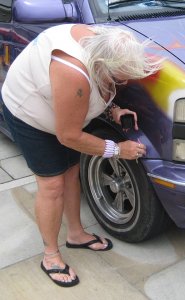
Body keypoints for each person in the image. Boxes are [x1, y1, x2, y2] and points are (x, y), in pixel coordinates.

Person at [1, 23, 162, 287]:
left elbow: (96, 91)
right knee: (52, 185)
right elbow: (69, 136)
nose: (123, 83)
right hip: (28, 113)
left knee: (72, 173)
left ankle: (75, 234)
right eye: (120, 79)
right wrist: (118, 150)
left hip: (61, 109)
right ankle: (50, 256)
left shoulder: (105, 41)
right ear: (102, 64)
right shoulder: (72, 71)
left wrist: (114, 110)